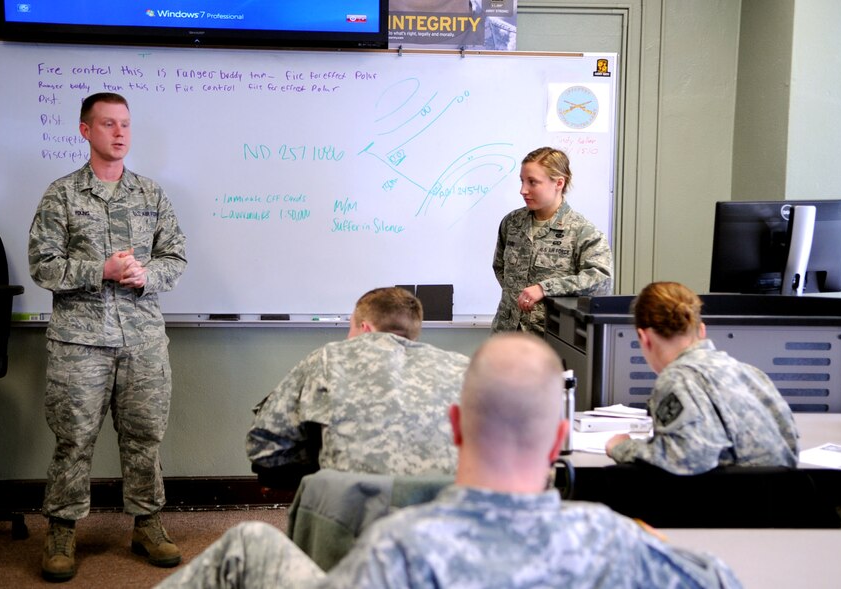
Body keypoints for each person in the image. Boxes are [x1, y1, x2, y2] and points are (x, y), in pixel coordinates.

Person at [157, 332, 741, 589]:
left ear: (456, 425)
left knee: (250, 545)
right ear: (558, 439)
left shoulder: (401, 549)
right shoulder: (610, 542)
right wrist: (644, 538)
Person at [28, 92, 187, 582]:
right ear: (86, 131)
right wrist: (100, 270)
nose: (119, 133)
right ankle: (61, 531)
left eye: (125, 124)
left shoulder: (151, 194)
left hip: (142, 341)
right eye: (108, 124)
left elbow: (175, 257)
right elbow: (42, 265)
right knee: (73, 440)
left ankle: (147, 523)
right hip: (80, 342)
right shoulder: (62, 194)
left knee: (145, 438)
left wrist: (146, 275)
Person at [247, 287, 470, 488]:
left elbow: (264, 447)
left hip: (356, 507)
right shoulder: (460, 366)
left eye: (350, 327)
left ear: (365, 328)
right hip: (445, 509)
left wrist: (325, 455)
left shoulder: (329, 357)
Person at [606, 281, 799, 474]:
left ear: (644, 337)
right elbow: (790, 445)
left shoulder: (676, 378)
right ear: (702, 330)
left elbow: (683, 459)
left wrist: (621, 447)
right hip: (779, 491)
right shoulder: (750, 373)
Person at [491, 146, 613, 335]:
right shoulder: (512, 222)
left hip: (549, 337)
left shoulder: (582, 231)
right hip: (505, 334)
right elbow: (500, 267)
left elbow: (601, 281)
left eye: (532, 182)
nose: (523, 190)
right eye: (522, 181)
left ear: (559, 183)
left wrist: (545, 288)